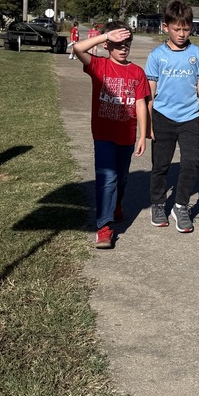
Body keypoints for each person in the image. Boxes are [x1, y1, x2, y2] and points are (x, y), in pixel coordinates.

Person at [74, 22, 149, 249]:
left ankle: (116, 205)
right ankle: (104, 228)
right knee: (107, 178)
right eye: (118, 44)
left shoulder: (137, 72)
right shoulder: (99, 66)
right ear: (107, 45)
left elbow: (140, 105)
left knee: (122, 178)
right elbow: (78, 49)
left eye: (127, 44)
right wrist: (106, 35)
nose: (123, 48)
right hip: (103, 134)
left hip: (126, 134)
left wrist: (142, 135)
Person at [145, 0, 199, 233]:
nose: (181, 34)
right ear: (166, 27)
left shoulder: (197, 54)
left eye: (186, 28)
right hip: (162, 117)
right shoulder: (156, 56)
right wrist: (148, 121)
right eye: (176, 29)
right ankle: (158, 203)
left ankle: (181, 206)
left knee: (191, 161)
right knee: (160, 165)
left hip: (190, 117)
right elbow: (150, 90)